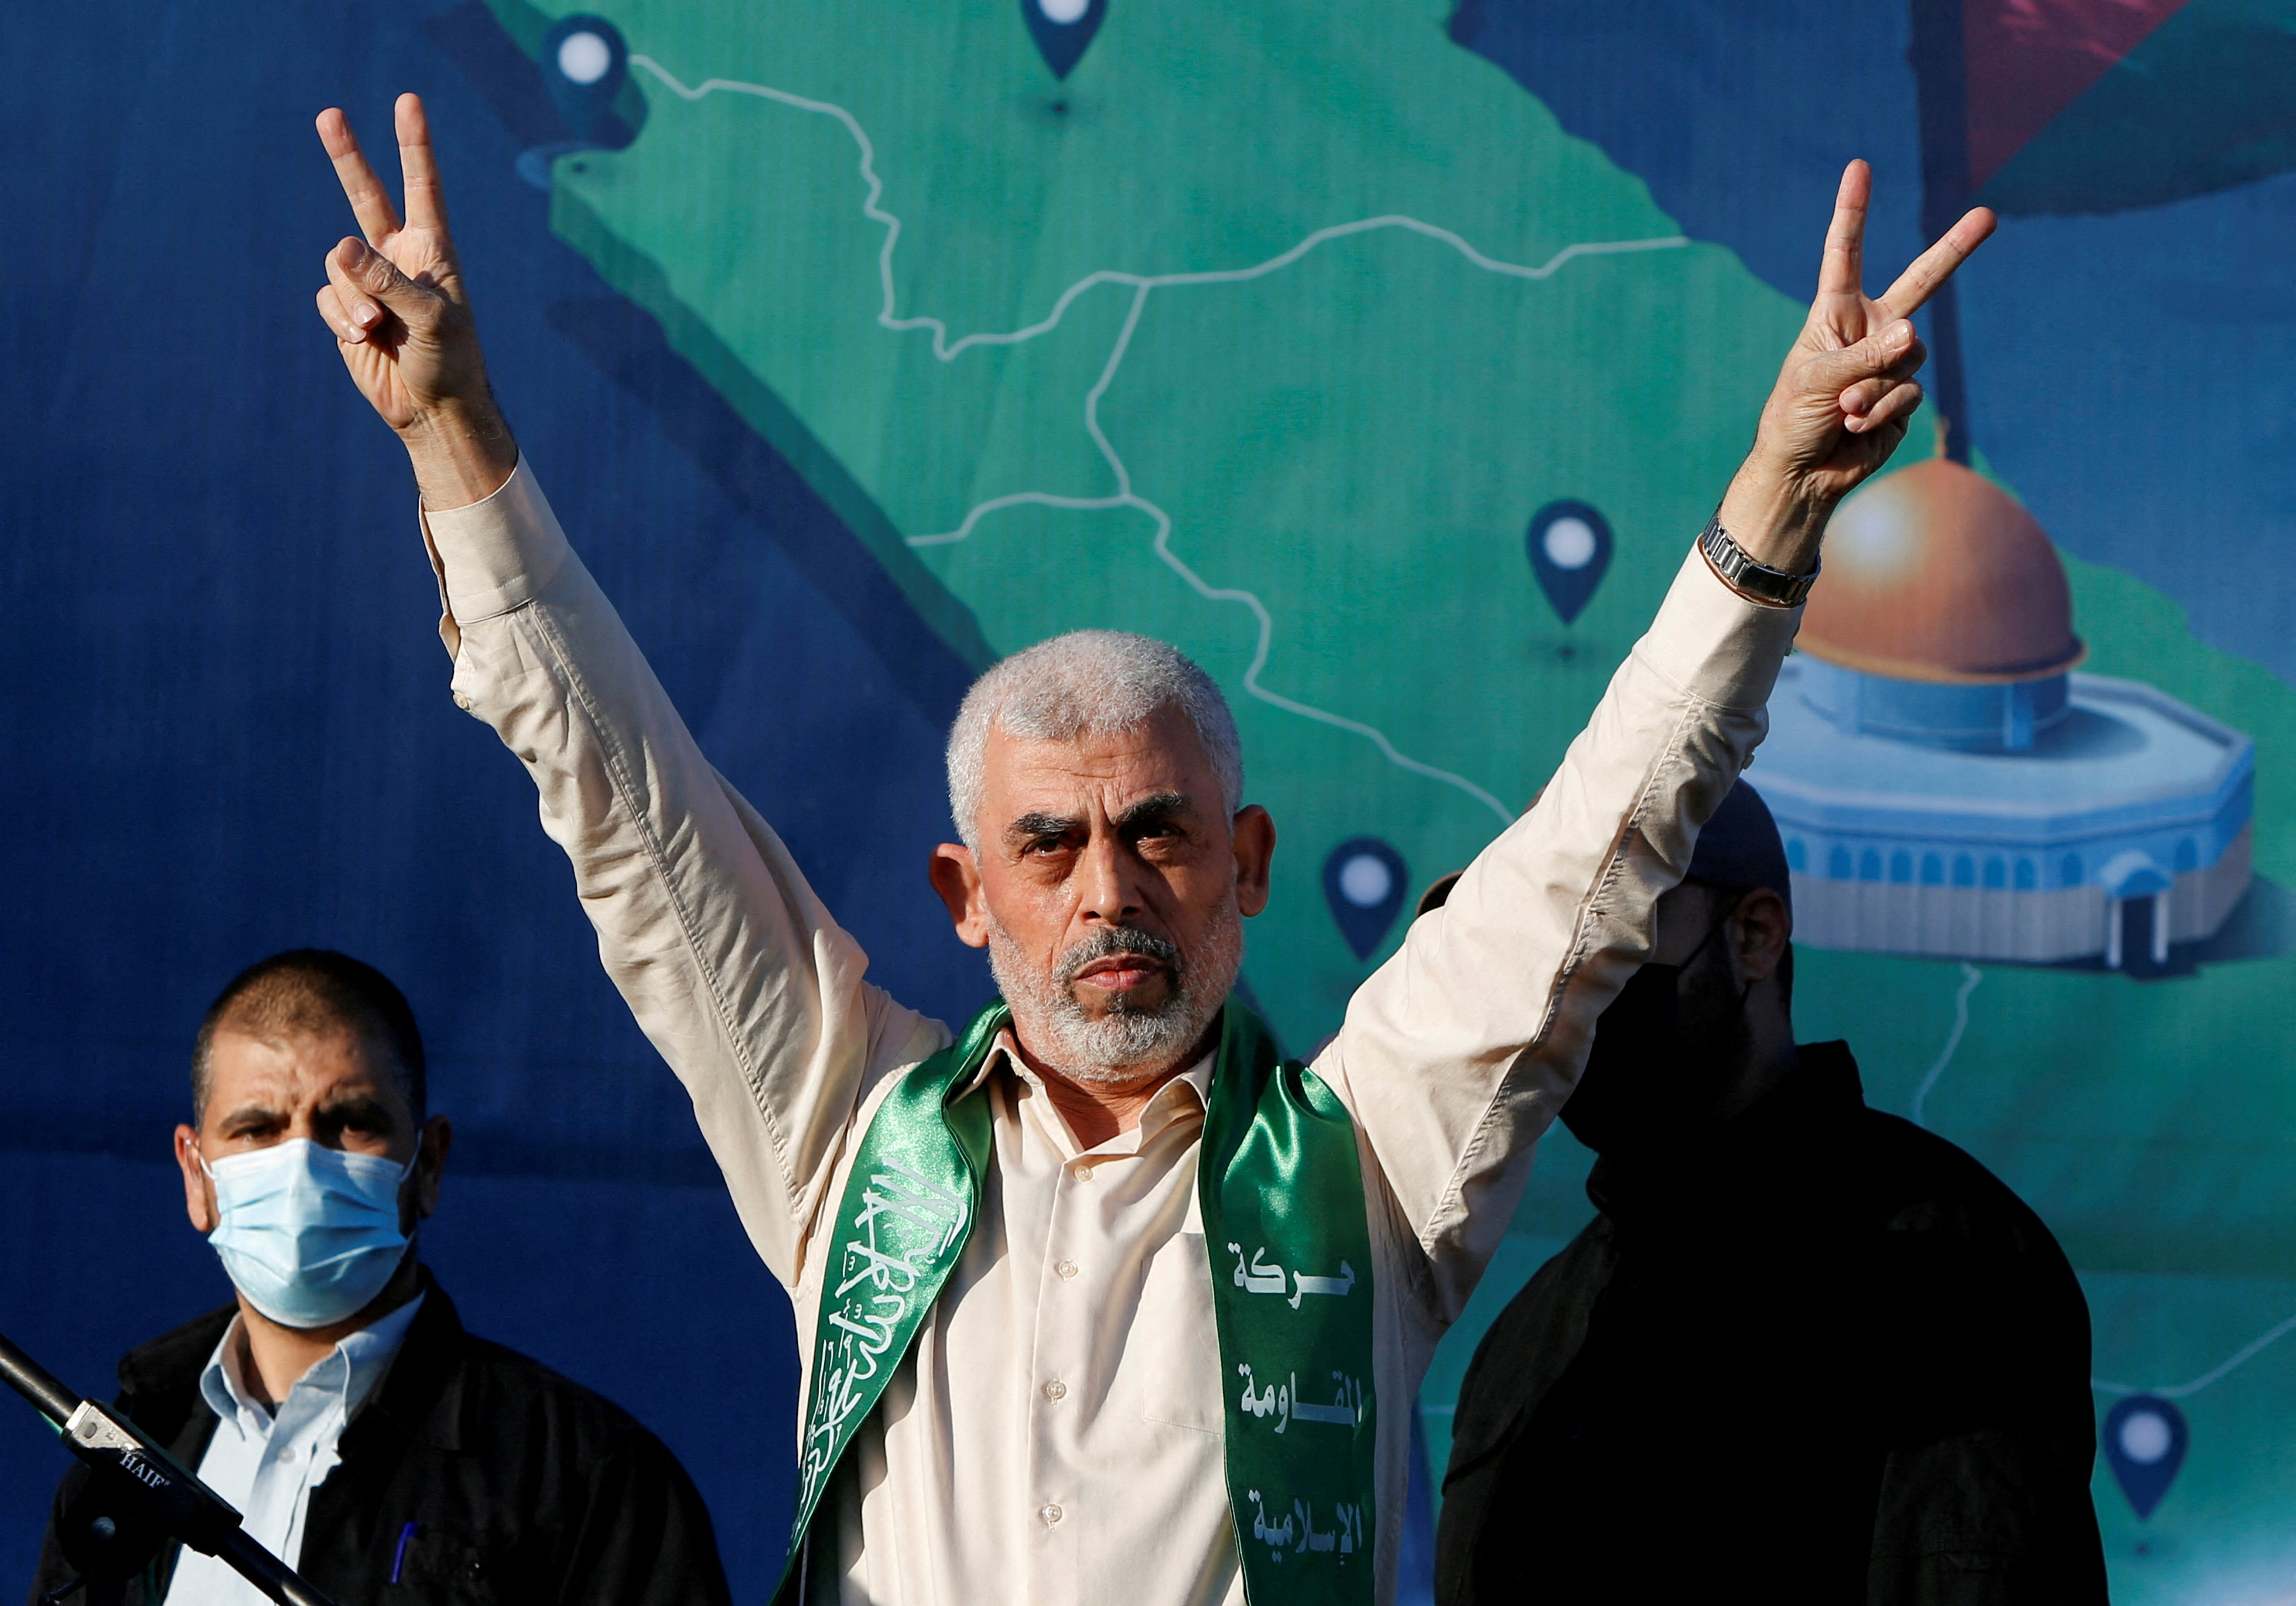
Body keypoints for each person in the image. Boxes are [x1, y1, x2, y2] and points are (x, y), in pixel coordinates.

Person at [306, 90, 1992, 1606]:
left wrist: (1773, 502)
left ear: (1246, 863)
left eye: (1157, 832)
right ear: (967, 897)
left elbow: (1600, 846)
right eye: (1048, 845)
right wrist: (454, 442)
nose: (1107, 889)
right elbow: (632, 810)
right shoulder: (841, 1134)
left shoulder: (1372, 1158)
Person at [1432, 782, 2108, 1604]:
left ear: (1753, 937)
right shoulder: (1528, 1336)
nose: (1557, 994)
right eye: (1528, 955)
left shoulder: (1947, 1262)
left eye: (1597, 937)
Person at [27, 950, 732, 1606]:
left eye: (349, 1123)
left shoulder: (586, 1480)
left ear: (427, 1164)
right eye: (257, 1129)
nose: (301, 1162)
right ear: (195, 1174)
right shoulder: (125, 1459)